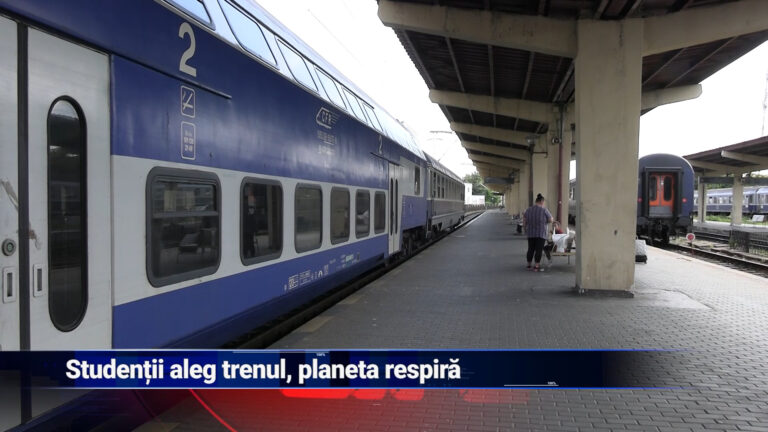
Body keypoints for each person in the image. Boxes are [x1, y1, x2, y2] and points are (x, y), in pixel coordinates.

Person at [522, 193, 554, 272]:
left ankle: (528, 265)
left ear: (536, 201)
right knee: (538, 250)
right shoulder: (544, 210)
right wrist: (545, 221)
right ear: (542, 201)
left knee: (530, 249)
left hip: (531, 233)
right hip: (541, 233)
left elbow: (524, 221)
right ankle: (536, 266)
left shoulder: (528, 210)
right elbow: (551, 220)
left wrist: (525, 229)